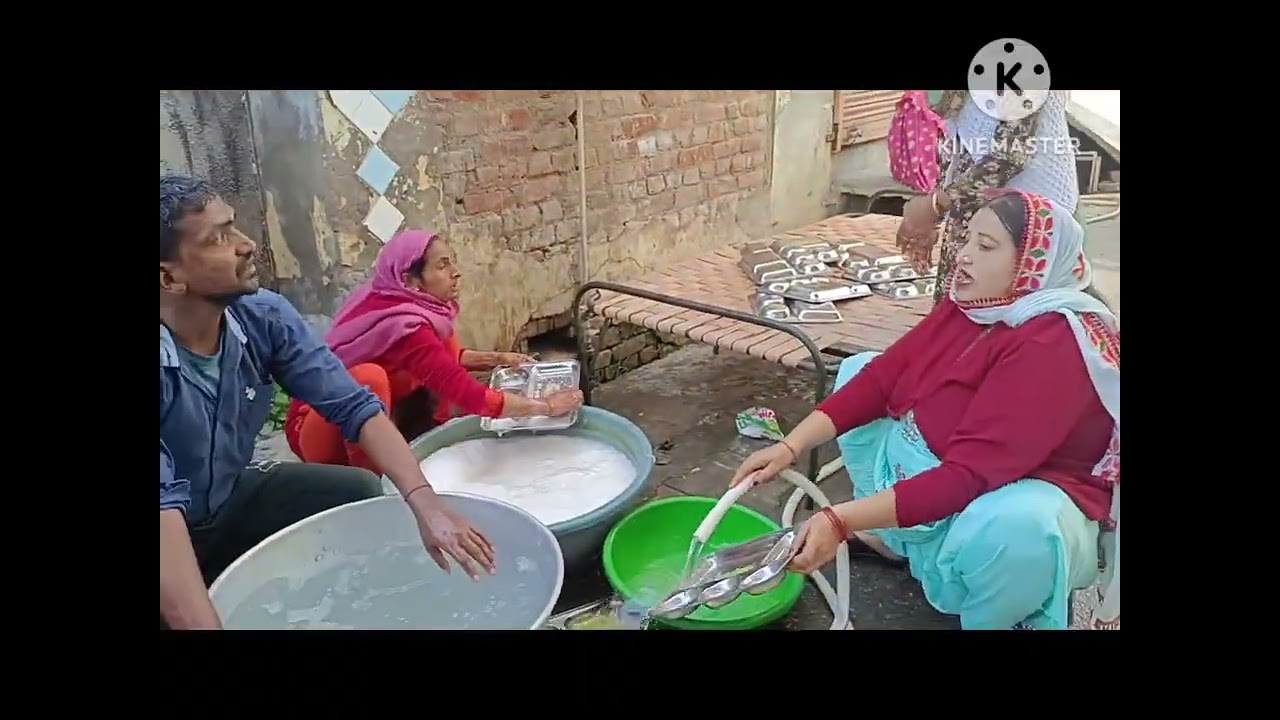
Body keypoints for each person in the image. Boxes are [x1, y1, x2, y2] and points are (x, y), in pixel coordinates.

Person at [731, 189, 1119, 631]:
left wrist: (840, 520)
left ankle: (1004, 612)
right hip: (968, 466)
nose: (964, 257)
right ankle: (897, 538)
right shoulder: (979, 305)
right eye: (967, 240)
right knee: (858, 369)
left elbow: (969, 475)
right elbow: (884, 377)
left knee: (1020, 529)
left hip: (1023, 491)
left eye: (985, 246)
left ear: (1034, 264)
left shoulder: (1054, 343)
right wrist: (789, 446)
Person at [160, 175, 496, 630]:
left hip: (225, 497)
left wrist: (428, 505)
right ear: (168, 276)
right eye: (218, 239)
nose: (245, 245)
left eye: (234, 227)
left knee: (355, 492)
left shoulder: (263, 317)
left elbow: (354, 407)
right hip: (169, 528)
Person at [284, 229, 583, 472]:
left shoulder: (401, 303)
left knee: (443, 341)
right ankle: (374, 481)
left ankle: (429, 432)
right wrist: (545, 407)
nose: (456, 273)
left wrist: (499, 359)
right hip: (317, 426)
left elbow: (438, 362)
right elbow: (464, 392)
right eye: (442, 266)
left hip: (364, 410)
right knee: (368, 379)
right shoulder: (400, 324)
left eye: (451, 263)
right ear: (411, 281)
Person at [890, 90, 1081, 305]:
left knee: (1007, 315)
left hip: (1025, 219)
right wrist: (934, 213)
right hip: (975, 209)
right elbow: (961, 142)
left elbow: (1008, 157)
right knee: (957, 311)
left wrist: (936, 206)